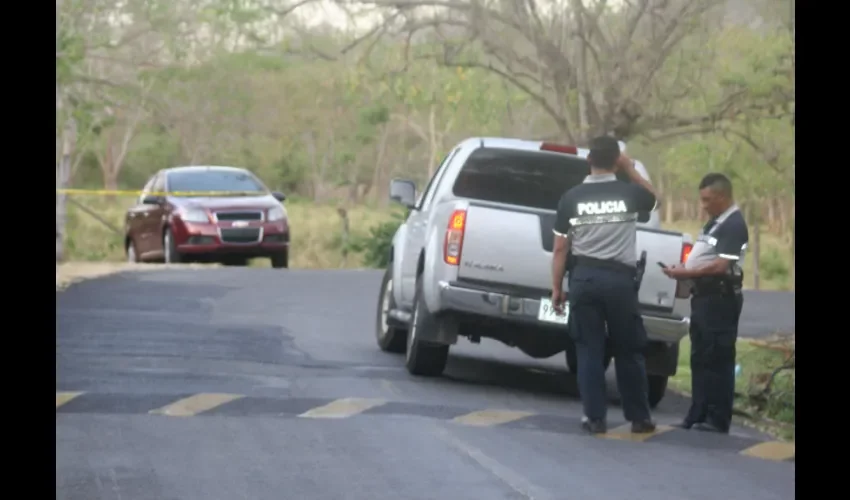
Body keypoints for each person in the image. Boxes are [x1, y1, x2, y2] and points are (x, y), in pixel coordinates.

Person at [550, 136, 659, 434]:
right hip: (620, 282)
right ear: (616, 161)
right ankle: (639, 418)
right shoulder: (629, 193)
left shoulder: (571, 198)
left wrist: (557, 288)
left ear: (589, 160)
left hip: (584, 278)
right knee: (629, 349)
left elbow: (560, 248)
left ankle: (595, 418)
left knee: (589, 350)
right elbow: (654, 198)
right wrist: (630, 169)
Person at [661, 172, 748, 434]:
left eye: (707, 199)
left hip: (720, 300)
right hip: (703, 298)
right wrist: (684, 268)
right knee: (700, 357)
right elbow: (704, 256)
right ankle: (696, 413)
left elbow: (721, 266)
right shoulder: (714, 223)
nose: (704, 205)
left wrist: (685, 273)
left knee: (717, 357)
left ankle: (717, 418)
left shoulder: (734, 224)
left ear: (722, 196)